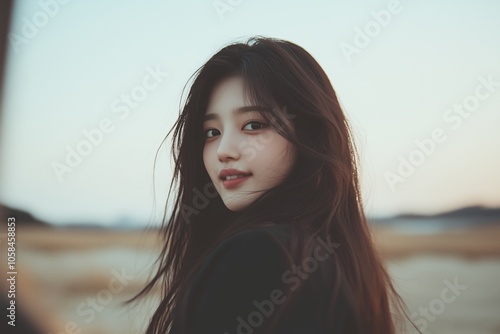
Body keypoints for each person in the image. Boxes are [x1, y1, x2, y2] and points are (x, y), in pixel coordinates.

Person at [126, 36, 420, 334]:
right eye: (212, 131)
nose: (224, 150)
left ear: (309, 133)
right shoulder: (336, 256)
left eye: (254, 125)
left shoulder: (261, 253)